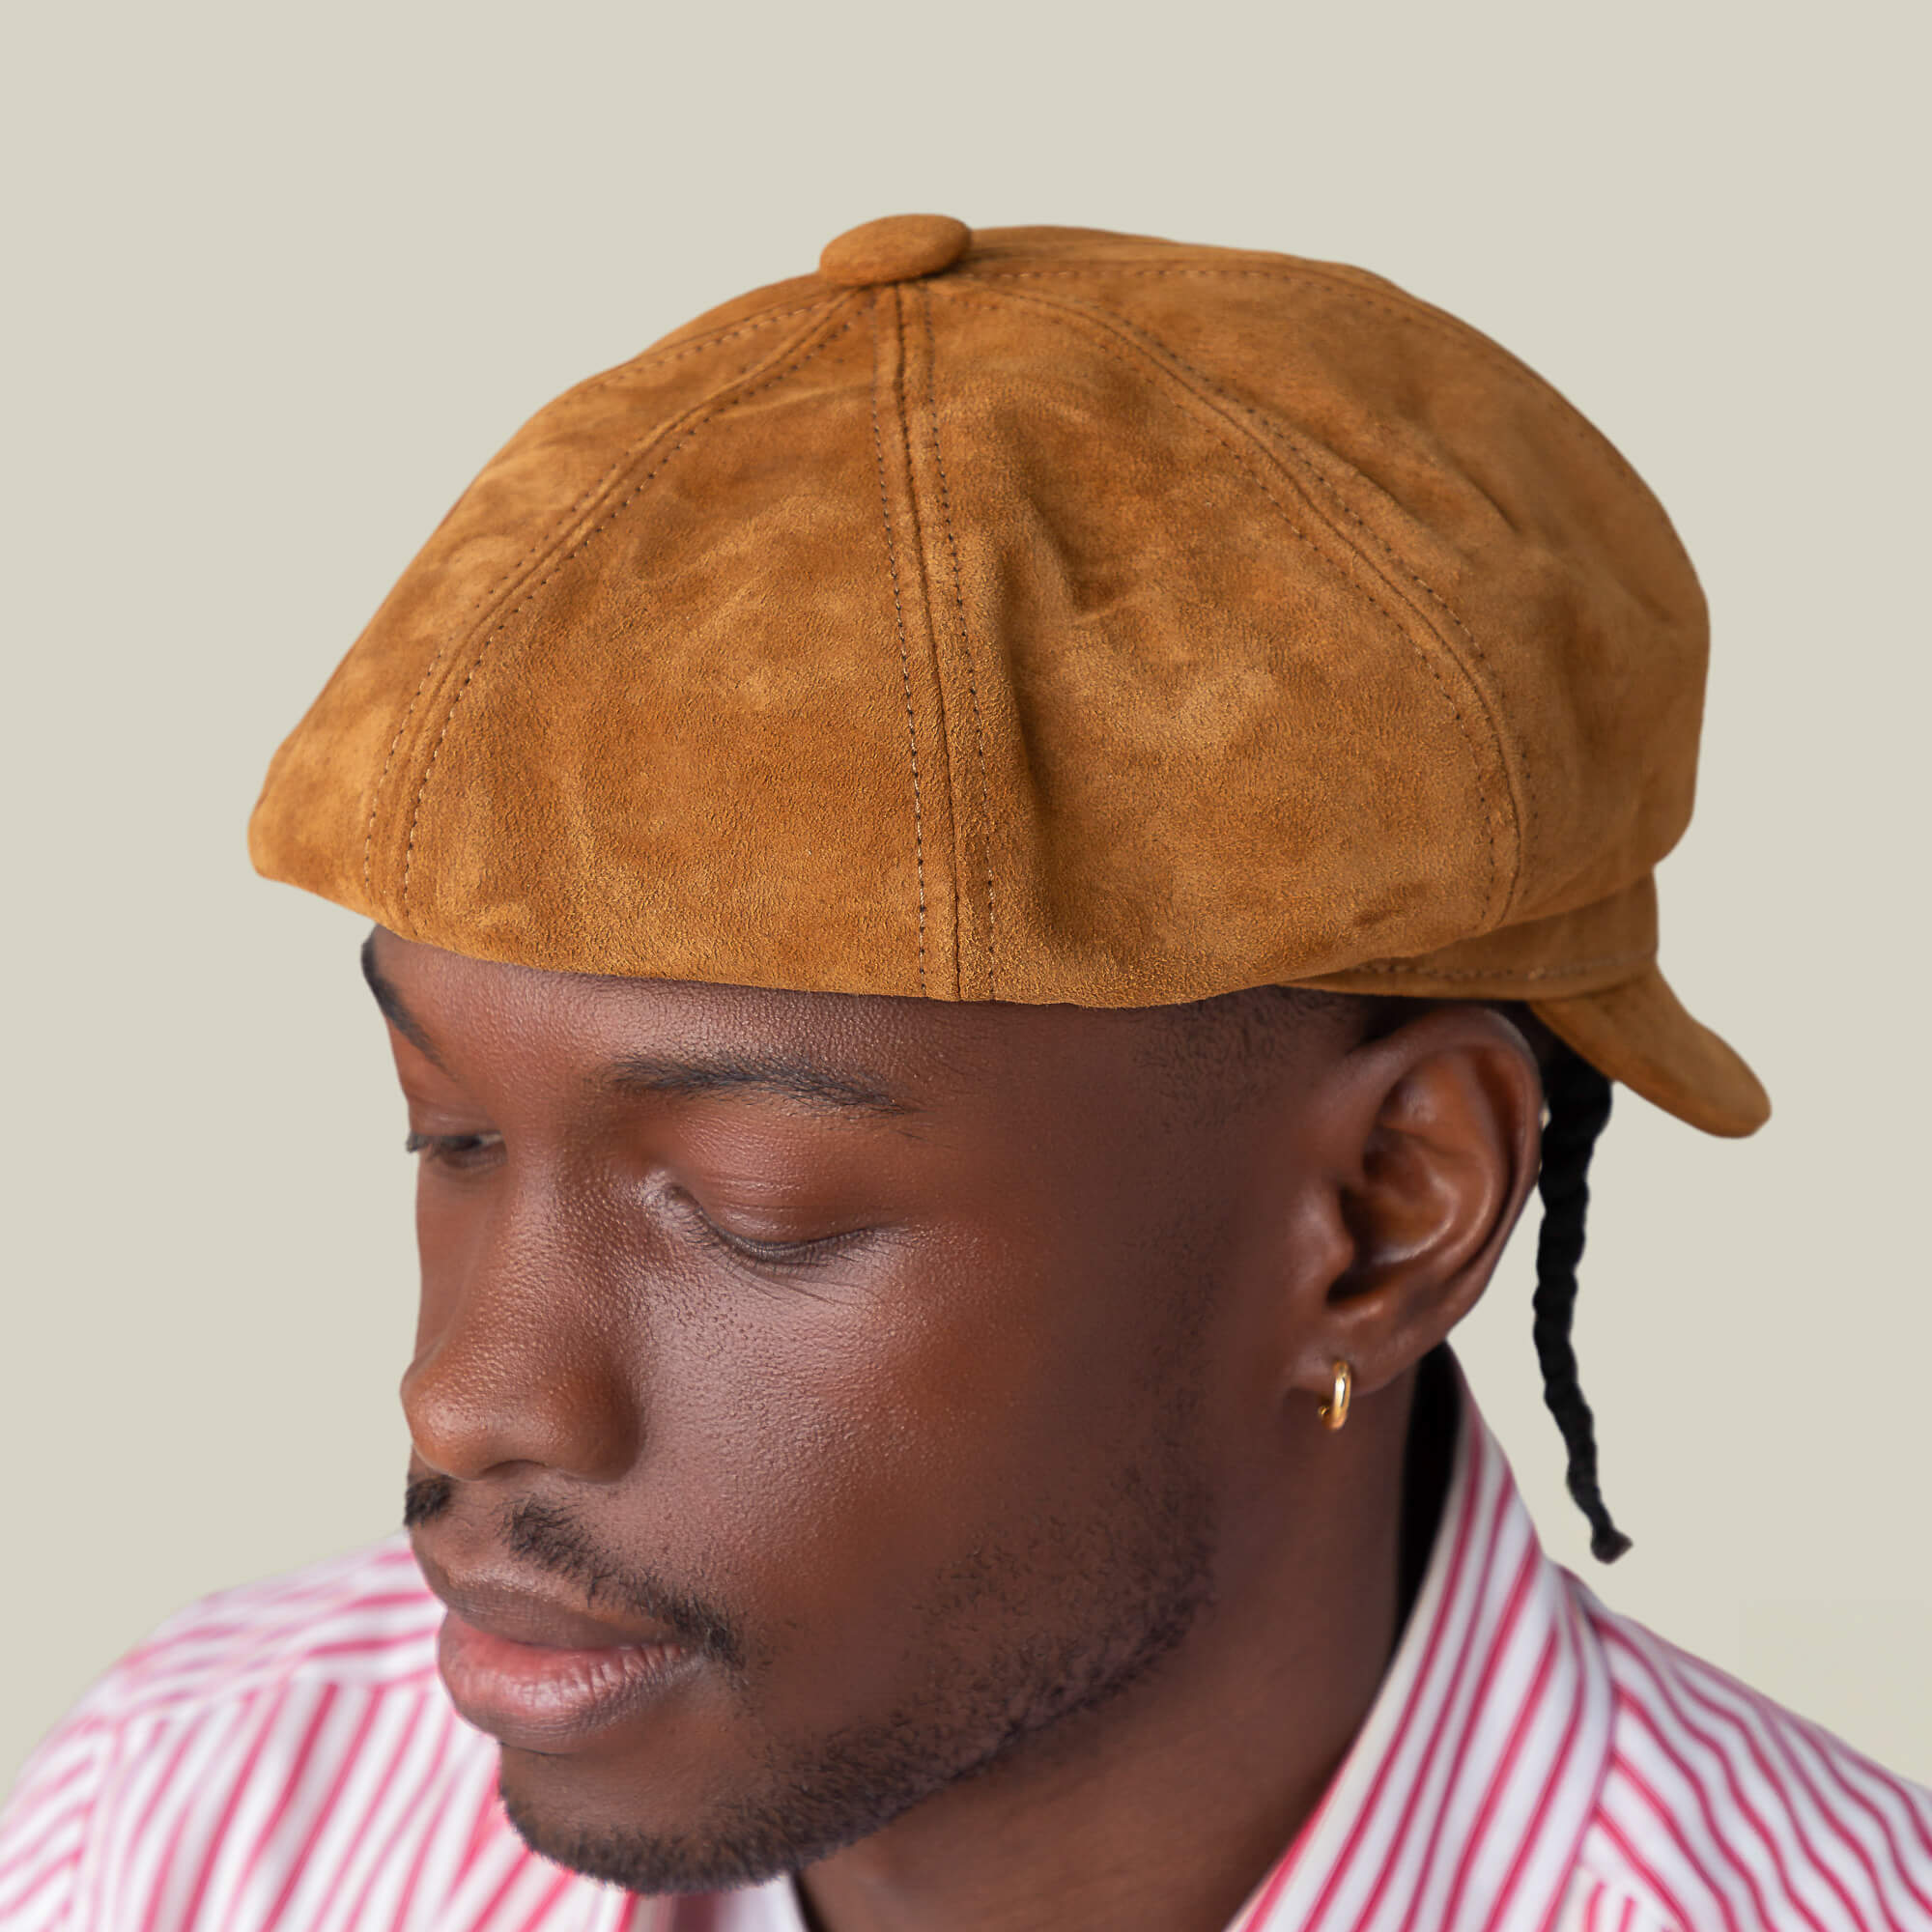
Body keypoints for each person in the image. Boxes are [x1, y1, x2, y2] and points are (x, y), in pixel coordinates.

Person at [2, 213, 1926, 1932]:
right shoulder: (181, 1824)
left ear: (1378, 1217)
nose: (472, 1392)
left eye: (746, 1209)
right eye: (454, 1132)